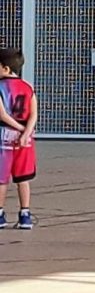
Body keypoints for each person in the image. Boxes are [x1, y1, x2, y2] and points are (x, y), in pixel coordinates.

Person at [0, 49, 37, 230]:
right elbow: (34, 114)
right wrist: (26, 132)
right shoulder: (28, 87)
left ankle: (0, 214)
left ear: (5, 68)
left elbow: (2, 115)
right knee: (23, 178)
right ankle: (25, 215)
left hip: (3, 136)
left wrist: (19, 129)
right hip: (25, 140)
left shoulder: (1, 87)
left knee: (1, 178)